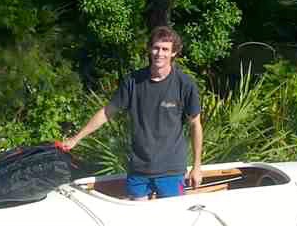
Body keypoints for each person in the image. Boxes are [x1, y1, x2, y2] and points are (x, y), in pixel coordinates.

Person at [63, 26, 203, 199]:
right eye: (156, 48)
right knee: (137, 215)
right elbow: (106, 112)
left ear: (174, 53)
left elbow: (195, 125)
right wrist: (76, 138)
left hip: (171, 171)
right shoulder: (133, 81)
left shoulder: (185, 84)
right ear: (149, 49)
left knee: (170, 215)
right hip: (139, 169)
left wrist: (197, 166)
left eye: (165, 49)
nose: (159, 53)